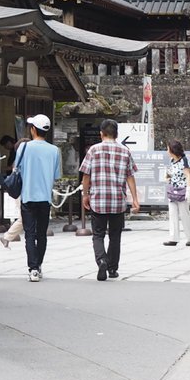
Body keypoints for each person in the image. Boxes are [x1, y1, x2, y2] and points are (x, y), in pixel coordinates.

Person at [0, 114, 61, 282]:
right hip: (45, 198)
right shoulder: (55, 150)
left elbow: (15, 168)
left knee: (30, 234)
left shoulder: (24, 148)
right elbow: (56, 175)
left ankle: (33, 269)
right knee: (41, 234)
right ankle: (39, 265)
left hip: (27, 196)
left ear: (33, 130)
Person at [81, 119, 139, 281]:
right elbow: (130, 177)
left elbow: (86, 175)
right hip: (118, 201)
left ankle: (101, 260)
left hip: (98, 200)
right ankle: (112, 269)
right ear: (117, 134)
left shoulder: (93, 150)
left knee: (98, 235)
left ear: (101, 134)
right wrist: (135, 199)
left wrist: (85, 194)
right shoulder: (125, 151)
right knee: (115, 236)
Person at [162, 141, 190, 247]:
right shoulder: (171, 160)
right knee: (172, 214)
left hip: (182, 190)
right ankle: (173, 238)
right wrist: (167, 177)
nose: (167, 151)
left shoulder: (184, 160)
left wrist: (189, 189)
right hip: (172, 189)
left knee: (184, 214)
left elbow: (188, 175)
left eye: (168, 149)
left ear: (172, 150)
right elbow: (170, 172)